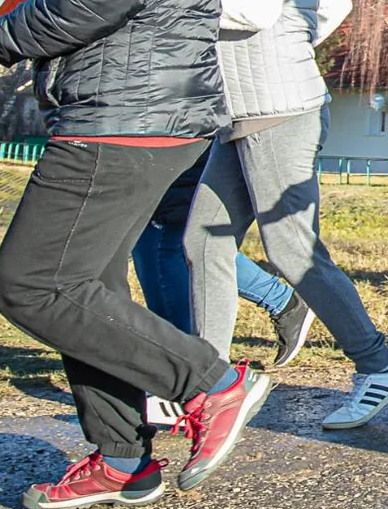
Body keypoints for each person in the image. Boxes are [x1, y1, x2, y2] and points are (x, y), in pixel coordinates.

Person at [0, 0, 278, 509]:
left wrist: (12, 32)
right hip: (165, 110)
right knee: (88, 283)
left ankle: (213, 383)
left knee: (32, 282)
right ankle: (120, 455)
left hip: (120, 113)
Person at [184, 0, 388, 430]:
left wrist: (180, 5)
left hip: (276, 108)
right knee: (203, 236)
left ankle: (378, 364)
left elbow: (254, 9)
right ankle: (208, 384)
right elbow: (331, 1)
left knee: (291, 248)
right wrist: (295, 40)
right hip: (247, 106)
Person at [133, 154, 314, 362]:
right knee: (173, 241)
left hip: (179, 149)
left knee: (165, 240)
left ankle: (184, 362)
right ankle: (282, 301)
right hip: (169, 151)